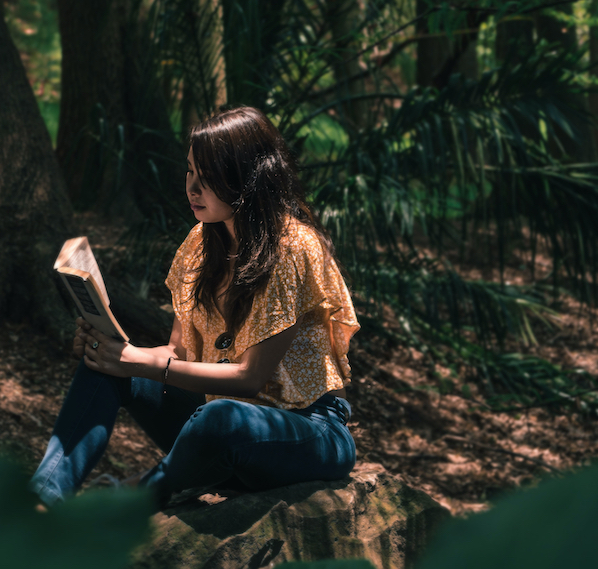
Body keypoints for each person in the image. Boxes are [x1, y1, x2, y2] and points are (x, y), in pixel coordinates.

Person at [29, 106, 359, 508]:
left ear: (247, 178)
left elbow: (249, 379)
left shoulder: (293, 247)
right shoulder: (201, 244)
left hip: (309, 428)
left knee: (221, 418)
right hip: (221, 423)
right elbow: (178, 354)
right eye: (189, 171)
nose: (192, 187)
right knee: (105, 371)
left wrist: (138, 360)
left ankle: (129, 499)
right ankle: (44, 499)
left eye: (209, 176)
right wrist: (115, 353)